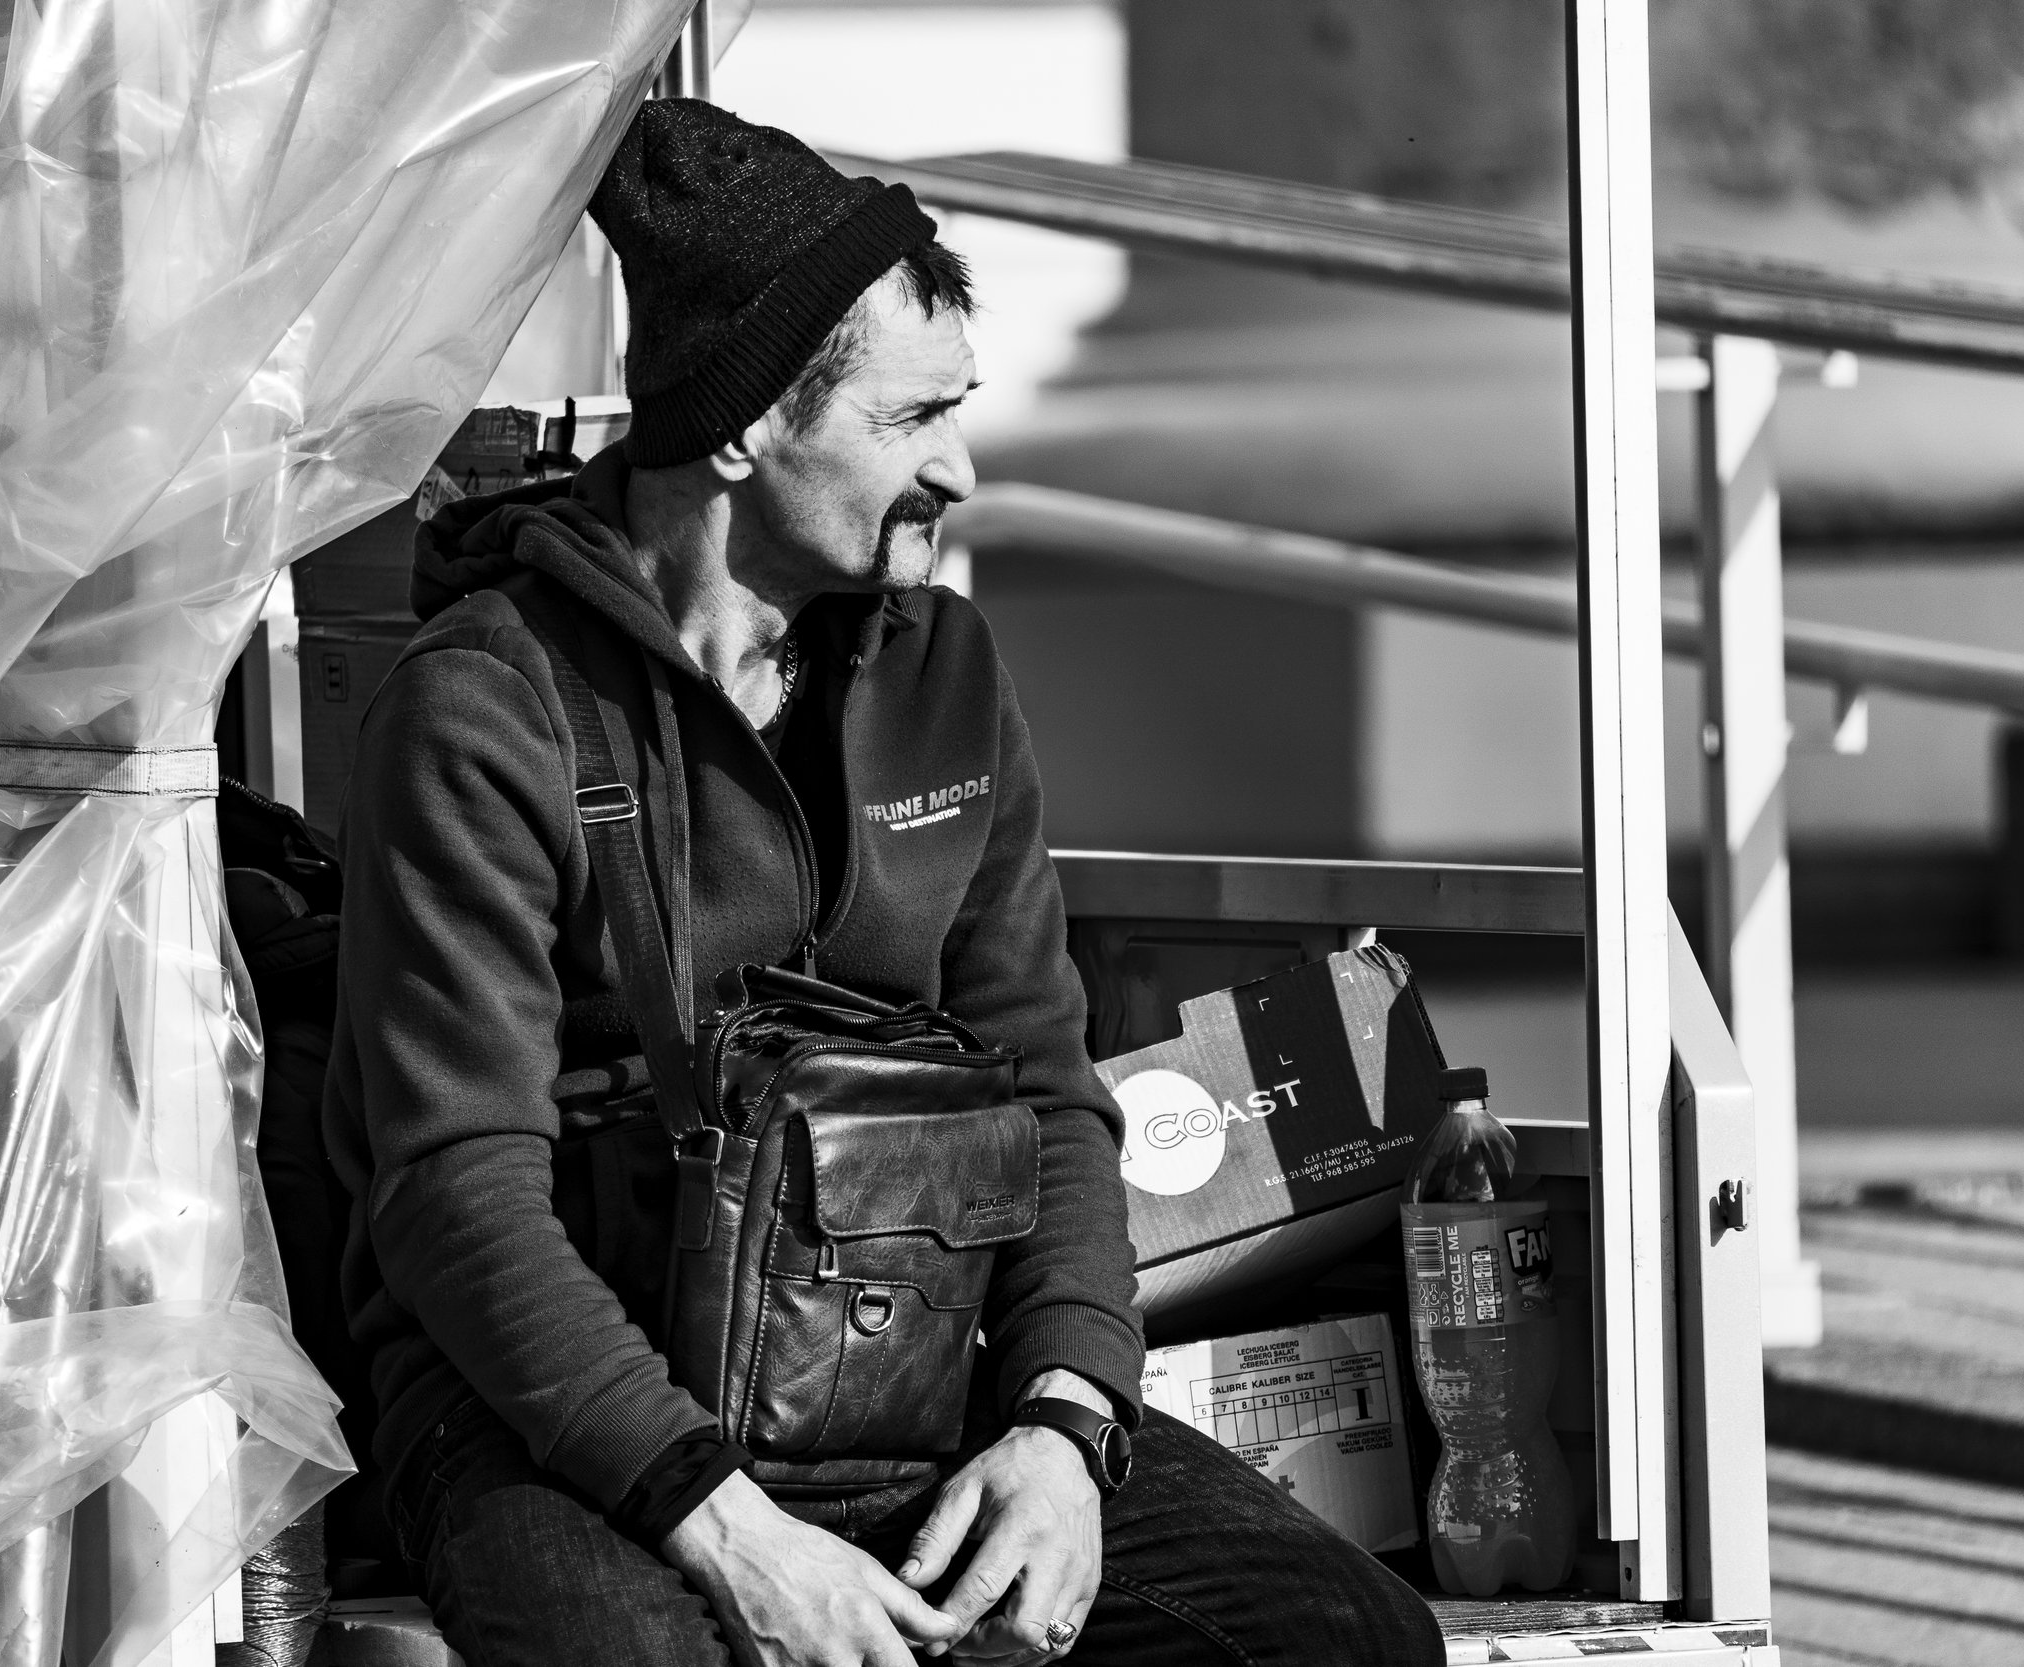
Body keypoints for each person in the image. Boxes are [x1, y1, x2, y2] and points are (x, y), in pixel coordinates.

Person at [323, 98, 1446, 1667]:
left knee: (1346, 1642)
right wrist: (729, 1532)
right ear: (739, 429)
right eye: (912, 419)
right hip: (563, 1432)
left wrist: (1064, 1423)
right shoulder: (482, 707)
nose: (960, 468)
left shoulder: (949, 672)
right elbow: (457, 1194)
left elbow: (1048, 1090)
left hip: (918, 1390)